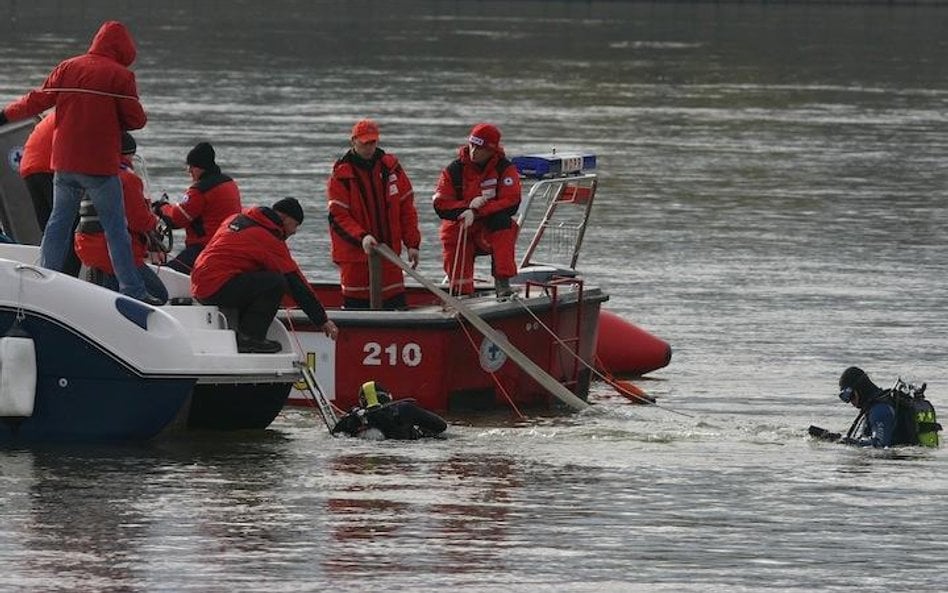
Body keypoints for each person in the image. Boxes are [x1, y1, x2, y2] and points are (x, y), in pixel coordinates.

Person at [0, 20, 157, 304]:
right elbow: (136, 119)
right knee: (115, 229)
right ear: (123, 49)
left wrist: (5, 115)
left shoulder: (67, 67)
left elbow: (36, 101)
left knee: (57, 224)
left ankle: (44, 277)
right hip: (99, 167)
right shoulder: (120, 77)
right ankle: (131, 290)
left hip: (64, 163)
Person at [190, 197, 338, 353]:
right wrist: (322, 320)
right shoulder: (268, 238)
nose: (294, 231)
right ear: (284, 218)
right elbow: (295, 281)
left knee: (261, 275)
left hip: (199, 283)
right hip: (216, 286)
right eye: (295, 225)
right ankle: (250, 338)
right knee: (276, 282)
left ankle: (241, 331)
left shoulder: (237, 218)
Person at [327, 119, 421, 309]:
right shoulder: (341, 175)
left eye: (373, 142)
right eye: (365, 143)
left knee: (396, 304)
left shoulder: (391, 168)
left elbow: (406, 208)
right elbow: (338, 217)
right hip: (356, 258)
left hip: (389, 255)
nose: (369, 147)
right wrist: (362, 237)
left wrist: (412, 243)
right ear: (353, 141)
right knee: (356, 306)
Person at [74, 132, 168, 304]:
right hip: (111, 252)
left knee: (106, 291)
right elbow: (138, 220)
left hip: (86, 246)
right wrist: (155, 221)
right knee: (160, 295)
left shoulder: (92, 175)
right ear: (130, 154)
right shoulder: (128, 179)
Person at [432, 123, 522, 297]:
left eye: (480, 148)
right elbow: (441, 204)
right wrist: (467, 207)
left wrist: (478, 211)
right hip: (460, 230)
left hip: (487, 229)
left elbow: (511, 202)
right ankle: (460, 293)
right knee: (460, 287)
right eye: (472, 145)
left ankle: (502, 284)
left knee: (503, 223)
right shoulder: (454, 170)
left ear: (492, 150)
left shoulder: (504, 169)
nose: (474, 151)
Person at [155, 141, 242, 274]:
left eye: (192, 166)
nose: (189, 170)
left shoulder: (200, 190)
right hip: (228, 245)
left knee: (167, 274)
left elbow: (177, 219)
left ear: (202, 167)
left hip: (204, 247)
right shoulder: (229, 183)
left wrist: (161, 208)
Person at [811, 366, 941, 448]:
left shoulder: (880, 410)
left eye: (849, 396)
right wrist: (831, 437)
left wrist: (847, 442)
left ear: (859, 390)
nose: (850, 402)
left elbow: (879, 445)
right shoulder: (877, 404)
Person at [331, 380, 447, 440]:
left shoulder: (357, 417)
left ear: (363, 401)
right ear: (387, 396)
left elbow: (335, 433)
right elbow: (441, 425)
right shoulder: (405, 409)